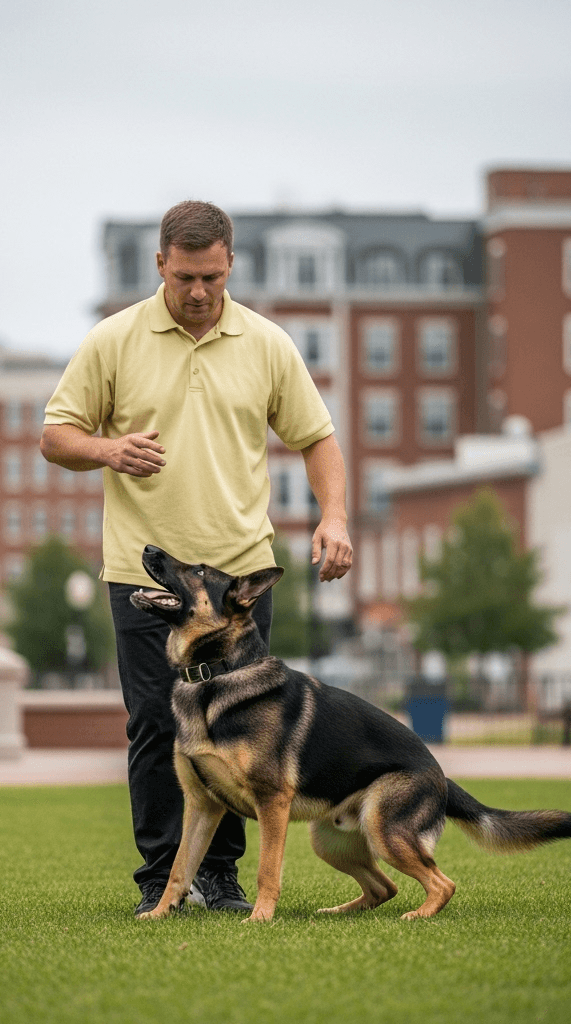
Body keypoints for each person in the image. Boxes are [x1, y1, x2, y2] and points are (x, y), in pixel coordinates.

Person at [40, 200, 353, 916]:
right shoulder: (114, 340)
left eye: (212, 276)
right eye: (184, 277)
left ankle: (219, 876)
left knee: (241, 733)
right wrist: (107, 449)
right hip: (145, 575)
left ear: (231, 264)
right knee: (157, 725)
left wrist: (334, 515)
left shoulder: (267, 344)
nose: (199, 291)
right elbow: (56, 435)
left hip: (239, 578)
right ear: (160, 265)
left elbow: (317, 439)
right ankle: (161, 879)